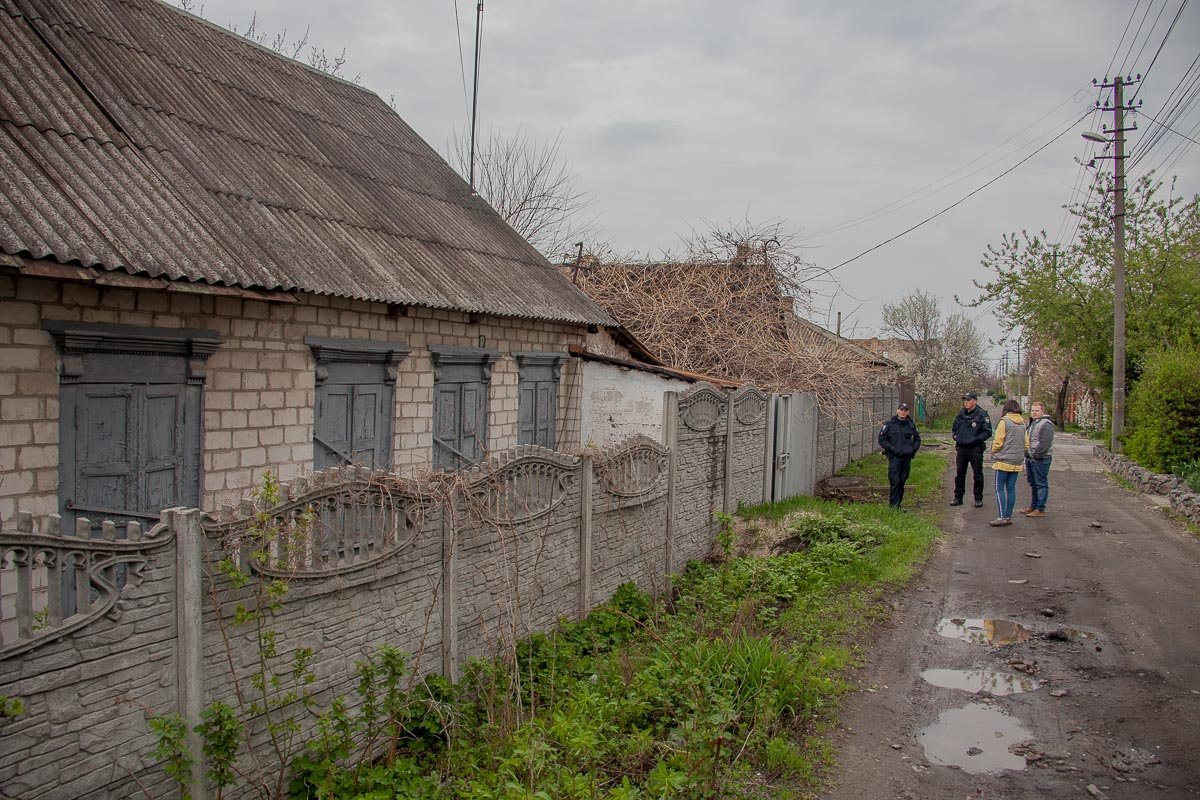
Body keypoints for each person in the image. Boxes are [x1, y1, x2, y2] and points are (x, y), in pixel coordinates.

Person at [950, 391, 992, 508]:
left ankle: (978, 498)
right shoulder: (961, 414)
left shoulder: (982, 414)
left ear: (974, 401)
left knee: (977, 474)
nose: (966, 402)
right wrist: (956, 437)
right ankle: (958, 497)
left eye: (968, 400)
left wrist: (975, 439)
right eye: (965, 400)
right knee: (960, 474)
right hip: (962, 448)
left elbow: (987, 432)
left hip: (975, 448)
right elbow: (955, 428)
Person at [989, 399, 1026, 527]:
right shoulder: (1022, 423)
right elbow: (1026, 443)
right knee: (1011, 489)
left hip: (1003, 461)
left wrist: (993, 451)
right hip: (1016, 461)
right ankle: (1008, 516)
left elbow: (998, 442)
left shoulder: (1004, 422)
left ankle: (1001, 516)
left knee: (999, 488)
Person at [879, 401, 922, 509]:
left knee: (902, 480)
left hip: (906, 457)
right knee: (895, 481)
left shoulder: (911, 425)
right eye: (901, 410)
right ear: (897, 411)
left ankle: (898, 504)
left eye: (905, 410)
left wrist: (913, 449)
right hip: (895, 457)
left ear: (908, 412)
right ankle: (893, 505)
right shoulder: (889, 424)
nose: (903, 412)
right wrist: (892, 448)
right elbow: (882, 439)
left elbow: (917, 439)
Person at [1021, 401, 1055, 517]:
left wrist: (1036, 455)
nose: (1034, 413)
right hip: (1031, 458)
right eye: (1032, 410)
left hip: (1041, 459)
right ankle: (1033, 506)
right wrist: (1027, 453)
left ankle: (1040, 508)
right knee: (1033, 483)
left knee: (1040, 483)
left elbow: (1044, 443)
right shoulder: (1033, 423)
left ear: (1042, 411)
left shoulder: (1046, 424)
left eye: (1037, 411)